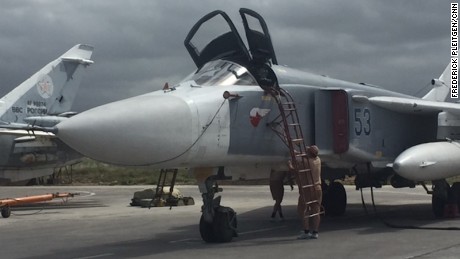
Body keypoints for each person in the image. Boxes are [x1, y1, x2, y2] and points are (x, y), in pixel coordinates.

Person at [289, 145, 322, 239]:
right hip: (318, 188)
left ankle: (306, 231)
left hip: (307, 188)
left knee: (302, 210)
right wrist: (298, 153)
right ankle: (315, 232)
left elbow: (294, 170)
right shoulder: (318, 160)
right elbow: (308, 155)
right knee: (316, 210)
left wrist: (289, 164)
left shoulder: (305, 163)